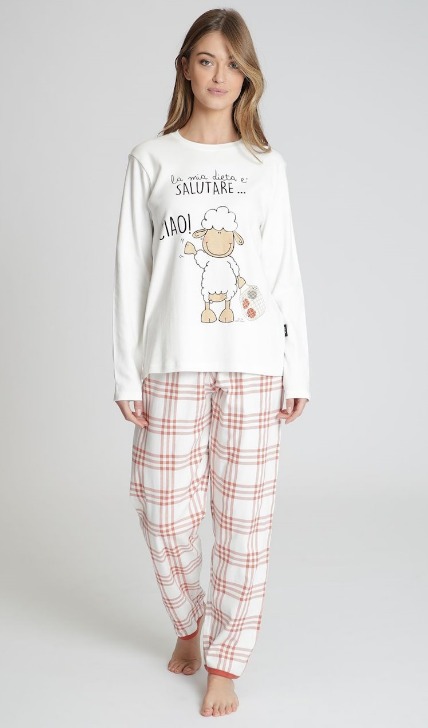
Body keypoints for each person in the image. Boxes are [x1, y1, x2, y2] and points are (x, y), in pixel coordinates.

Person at [112, 7, 311, 718]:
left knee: (245, 522)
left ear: (247, 75)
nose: (219, 75)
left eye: (232, 62)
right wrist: (126, 371)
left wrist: (298, 366)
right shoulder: (151, 159)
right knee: (163, 510)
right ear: (186, 69)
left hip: (254, 362)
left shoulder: (264, 166)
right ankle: (189, 621)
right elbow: (130, 273)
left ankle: (226, 661)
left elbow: (284, 274)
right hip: (172, 362)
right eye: (206, 60)